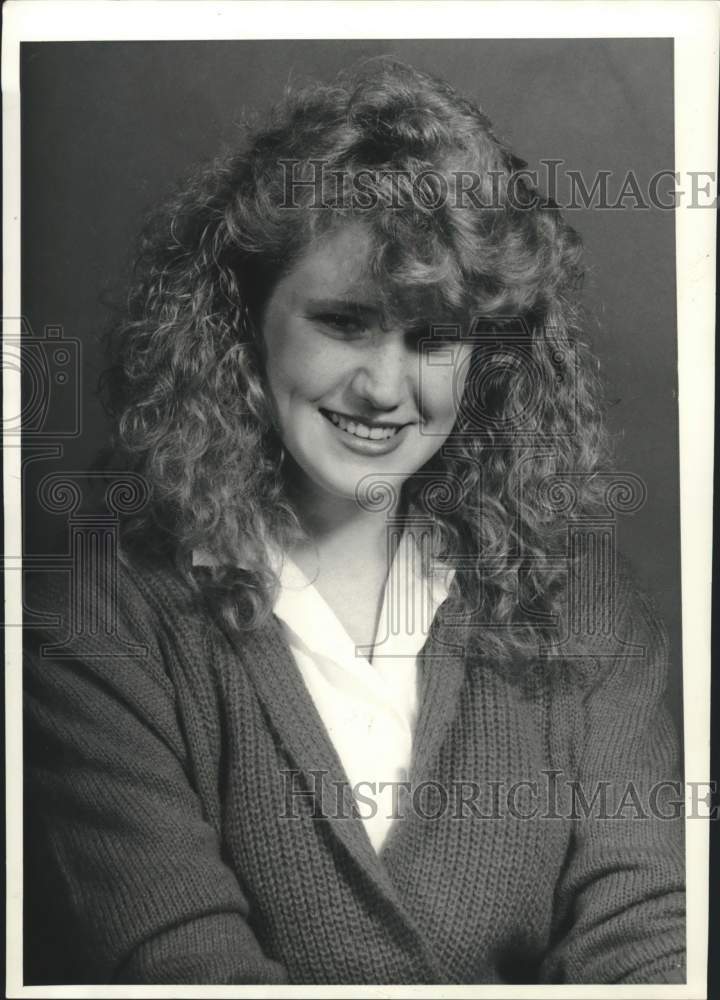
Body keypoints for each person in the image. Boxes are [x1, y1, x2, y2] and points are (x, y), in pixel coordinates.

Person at [23, 58, 685, 985]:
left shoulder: (582, 601)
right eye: (346, 322)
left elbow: (650, 935)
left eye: (433, 338)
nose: (384, 387)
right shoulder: (100, 621)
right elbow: (184, 966)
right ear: (244, 321)